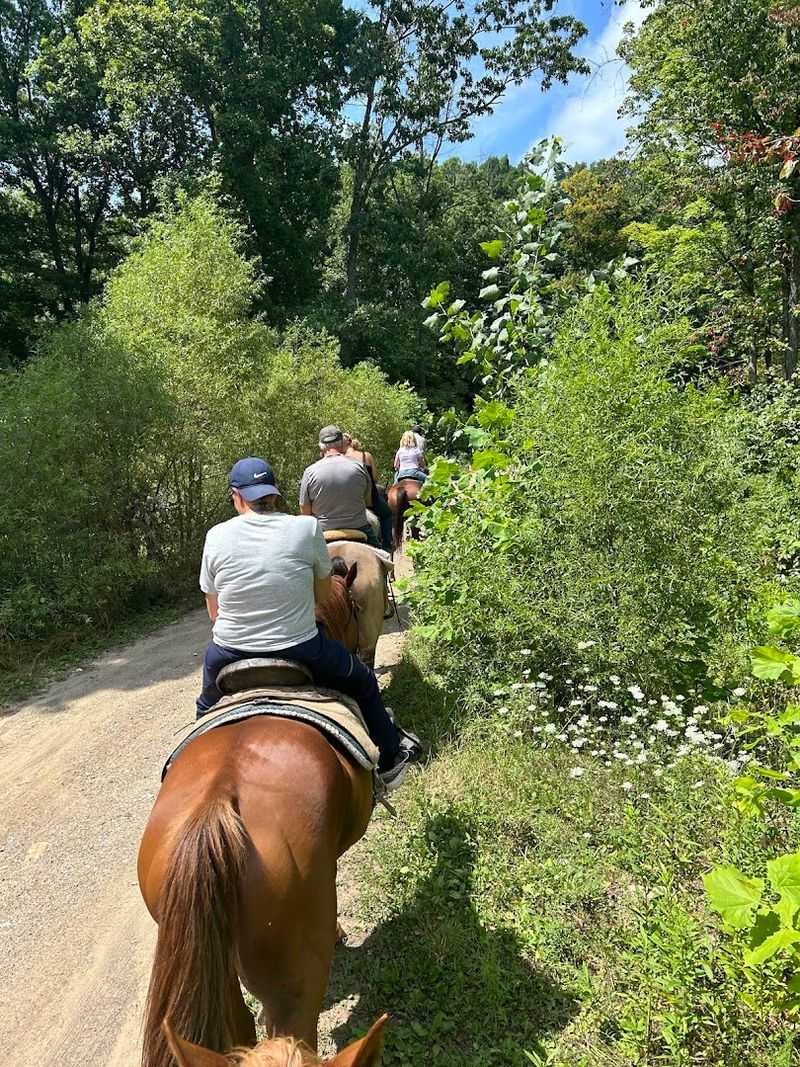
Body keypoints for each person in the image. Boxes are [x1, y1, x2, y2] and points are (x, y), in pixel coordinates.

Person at [197, 456, 420, 789]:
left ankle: (200, 768)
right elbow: (319, 596)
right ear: (274, 494)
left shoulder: (215, 536)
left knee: (204, 708)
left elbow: (215, 614)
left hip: (228, 652)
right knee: (363, 682)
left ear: (237, 495)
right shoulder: (305, 528)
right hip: (301, 648)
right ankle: (389, 758)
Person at [300, 426, 380, 547]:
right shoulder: (359, 467)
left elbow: (305, 510)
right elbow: (367, 500)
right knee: (383, 558)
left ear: (320, 446)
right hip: (359, 527)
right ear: (342, 443)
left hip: (323, 531)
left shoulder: (310, 472)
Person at [343, 432, 393, 552]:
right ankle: (387, 545)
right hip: (369, 499)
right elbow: (375, 478)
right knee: (387, 514)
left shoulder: (339, 458)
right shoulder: (366, 456)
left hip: (345, 500)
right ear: (351, 442)